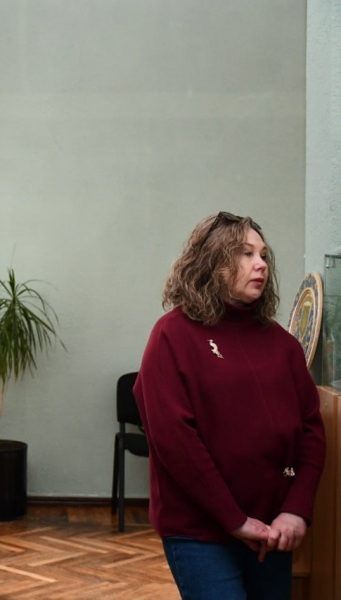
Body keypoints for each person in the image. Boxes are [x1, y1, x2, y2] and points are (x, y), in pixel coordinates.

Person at [133, 211, 326, 600]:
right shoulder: (172, 335)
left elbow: (311, 432)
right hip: (200, 532)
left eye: (264, 255)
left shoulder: (283, 345)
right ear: (212, 263)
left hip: (272, 531)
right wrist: (234, 519)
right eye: (245, 253)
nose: (261, 264)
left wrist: (296, 509)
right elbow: (175, 440)